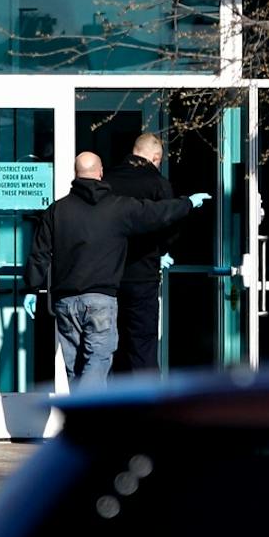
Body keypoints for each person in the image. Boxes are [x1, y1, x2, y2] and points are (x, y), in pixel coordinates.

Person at [23, 151, 207, 386]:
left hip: (66, 301)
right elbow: (156, 213)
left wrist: (31, 287)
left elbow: (40, 253)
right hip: (101, 299)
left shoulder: (57, 210)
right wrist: (188, 202)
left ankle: (81, 415)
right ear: (100, 173)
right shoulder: (118, 208)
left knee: (75, 369)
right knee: (97, 362)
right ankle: (88, 415)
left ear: (75, 174)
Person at [106, 132, 176, 374]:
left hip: (108, 275)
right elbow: (170, 223)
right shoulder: (157, 183)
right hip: (143, 274)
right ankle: (145, 407)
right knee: (142, 345)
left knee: (108, 345)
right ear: (156, 157)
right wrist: (162, 250)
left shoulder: (107, 180)